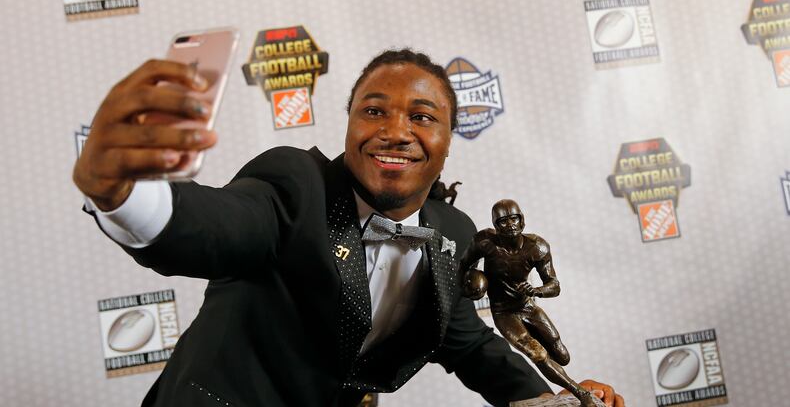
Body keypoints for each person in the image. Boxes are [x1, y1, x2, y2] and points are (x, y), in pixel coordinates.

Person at [73, 49, 624, 407]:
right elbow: (216, 227)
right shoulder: (296, 183)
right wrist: (121, 190)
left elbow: (466, 338)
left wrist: (555, 400)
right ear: (349, 123)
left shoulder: (452, 228)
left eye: (423, 116)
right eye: (374, 111)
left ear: (450, 137)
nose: (396, 131)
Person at [461, 199, 613, 407]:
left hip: (528, 307)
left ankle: (558, 378)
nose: (510, 224)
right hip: (503, 312)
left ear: (522, 220)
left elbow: (554, 285)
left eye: (514, 218)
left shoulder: (537, 247)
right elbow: (463, 265)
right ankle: (580, 393)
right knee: (538, 354)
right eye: (503, 221)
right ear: (496, 225)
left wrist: (537, 291)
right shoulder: (485, 242)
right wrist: (473, 283)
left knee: (561, 354)